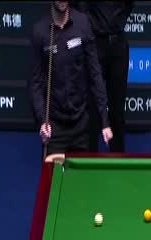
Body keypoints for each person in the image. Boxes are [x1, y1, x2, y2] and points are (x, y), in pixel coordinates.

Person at [30, 1, 113, 156]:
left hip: (81, 125)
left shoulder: (83, 23)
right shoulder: (40, 31)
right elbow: (36, 83)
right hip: (54, 127)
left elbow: (95, 73)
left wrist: (105, 122)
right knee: (52, 171)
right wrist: (42, 121)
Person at [79, 1, 134, 153]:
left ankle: (118, 157)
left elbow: (129, 5)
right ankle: (89, 156)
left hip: (118, 43)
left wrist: (116, 21)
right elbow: (81, 6)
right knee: (92, 105)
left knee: (117, 107)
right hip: (94, 42)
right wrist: (93, 25)